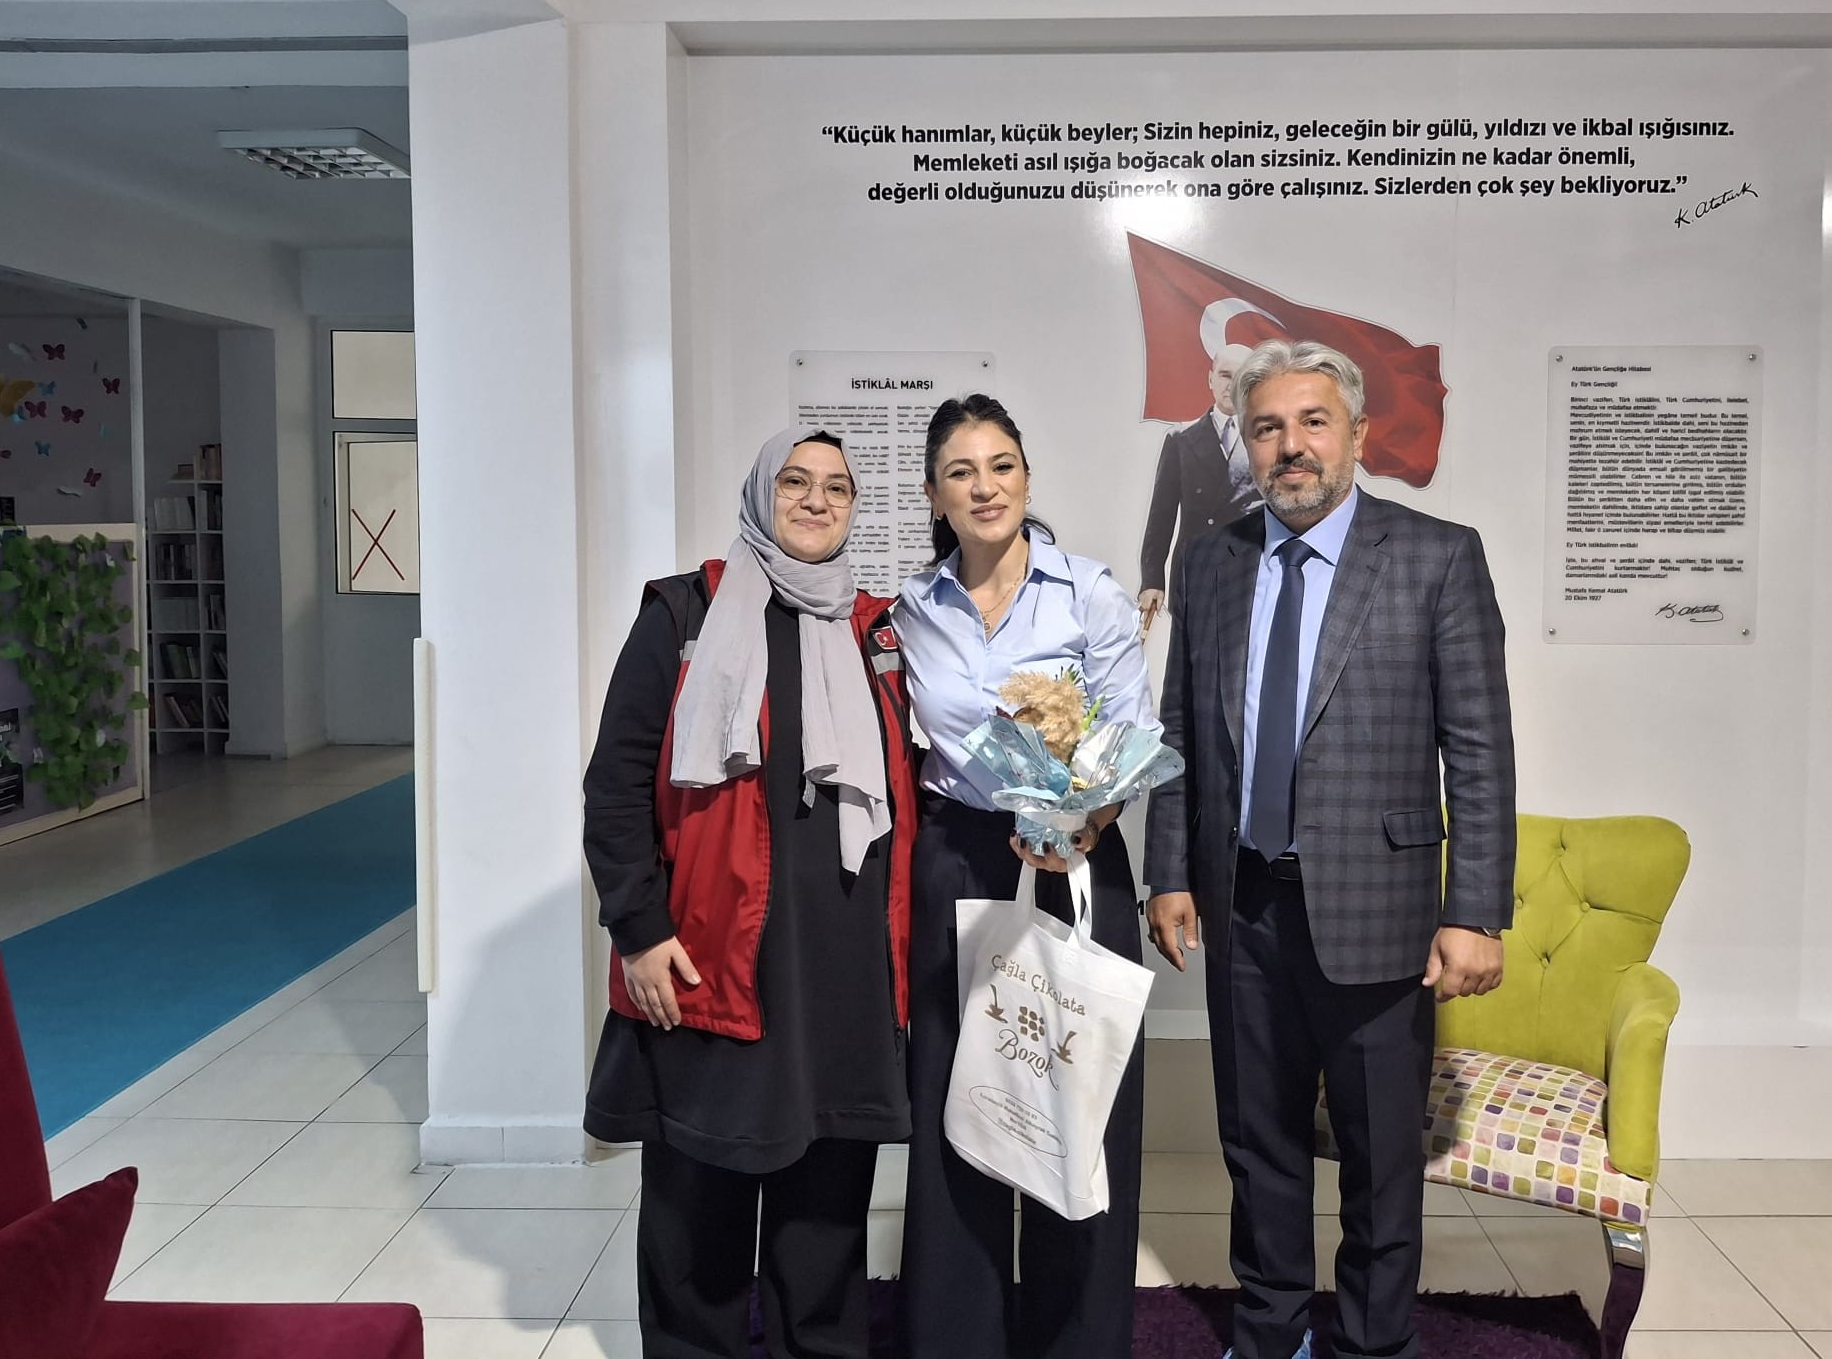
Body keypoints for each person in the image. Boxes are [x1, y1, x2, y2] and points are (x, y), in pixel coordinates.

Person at [1145, 340, 1517, 1359]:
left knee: (1380, 1155)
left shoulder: (1437, 556)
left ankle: (1370, 1341)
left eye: (1313, 422)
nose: (1291, 445)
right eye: (1267, 427)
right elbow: (1178, 732)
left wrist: (1475, 909)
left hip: (1379, 910)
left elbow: (1479, 748)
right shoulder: (1211, 561)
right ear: (1246, 444)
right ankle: (1268, 1333)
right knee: (1256, 1143)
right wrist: (1169, 872)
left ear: (1356, 433)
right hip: (1243, 906)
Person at [581, 426, 919, 1359]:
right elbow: (615, 784)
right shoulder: (684, 614)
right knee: (699, 1203)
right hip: (711, 957)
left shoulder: (875, 629)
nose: (816, 501)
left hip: (843, 967)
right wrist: (638, 929)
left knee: (827, 1207)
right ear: (761, 493)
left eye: (837, 488)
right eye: (796, 482)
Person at [893, 394, 1153, 1359]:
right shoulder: (912, 610)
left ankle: (1074, 1337)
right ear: (935, 495)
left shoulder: (1088, 592)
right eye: (961, 472)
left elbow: (1131, 731)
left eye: (1001, 465)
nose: (985, 486)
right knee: (958, 1096)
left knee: (1077, 1100)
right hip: (957, 857)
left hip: (1080, 857)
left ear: (1027, 478)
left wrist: (1083, 823)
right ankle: (955, 1336)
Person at [1138, 340, 1263, 632]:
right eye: (1225, 375)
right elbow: (1161, 515)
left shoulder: (1267, 442)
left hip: (1250, 576)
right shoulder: (1181, 439)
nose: (1231, 386)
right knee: (1188, 659)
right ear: (1210, 378)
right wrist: (1152, 579)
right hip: (1193, 575)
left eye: (1241, 377)